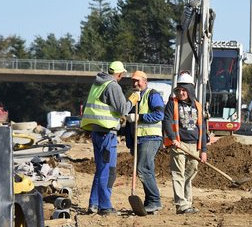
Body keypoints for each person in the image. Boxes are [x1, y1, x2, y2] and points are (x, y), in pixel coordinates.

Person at [80, 61, 141, 215]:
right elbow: (123, 109)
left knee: (101, 169)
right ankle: (105, 206)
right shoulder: (112, 85)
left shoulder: (97, 84)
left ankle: (94, 203)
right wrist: (133, 99)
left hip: (97, 131)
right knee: (108, 170)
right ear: (119, 74)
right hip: (107, 133)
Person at [162, 71, 208, 214]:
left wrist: (204, 150)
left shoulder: (198, 106)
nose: (181, 93)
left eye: (184, 90)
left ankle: (187, 202)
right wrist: (173, 138)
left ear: (190, 90)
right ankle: (181, 205)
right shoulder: (172, 104)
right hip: (178, 144)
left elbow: (203, 128)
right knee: (178, 173)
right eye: (179, 90)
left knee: (191, 170)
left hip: (194, 144)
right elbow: (167, 121)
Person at [125, 70, 165, 213]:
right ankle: (150, 201)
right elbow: (128, 123)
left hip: (151, 137)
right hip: (138, 139)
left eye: (138, 81)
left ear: (145, 81)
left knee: (143, 169)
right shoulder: (133, 98)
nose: (135, 84)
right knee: (147, 169)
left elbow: (159, 114)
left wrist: (139, 117)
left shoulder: (152, 95)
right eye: (133, 81)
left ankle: (155, 200)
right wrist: (130, 142)